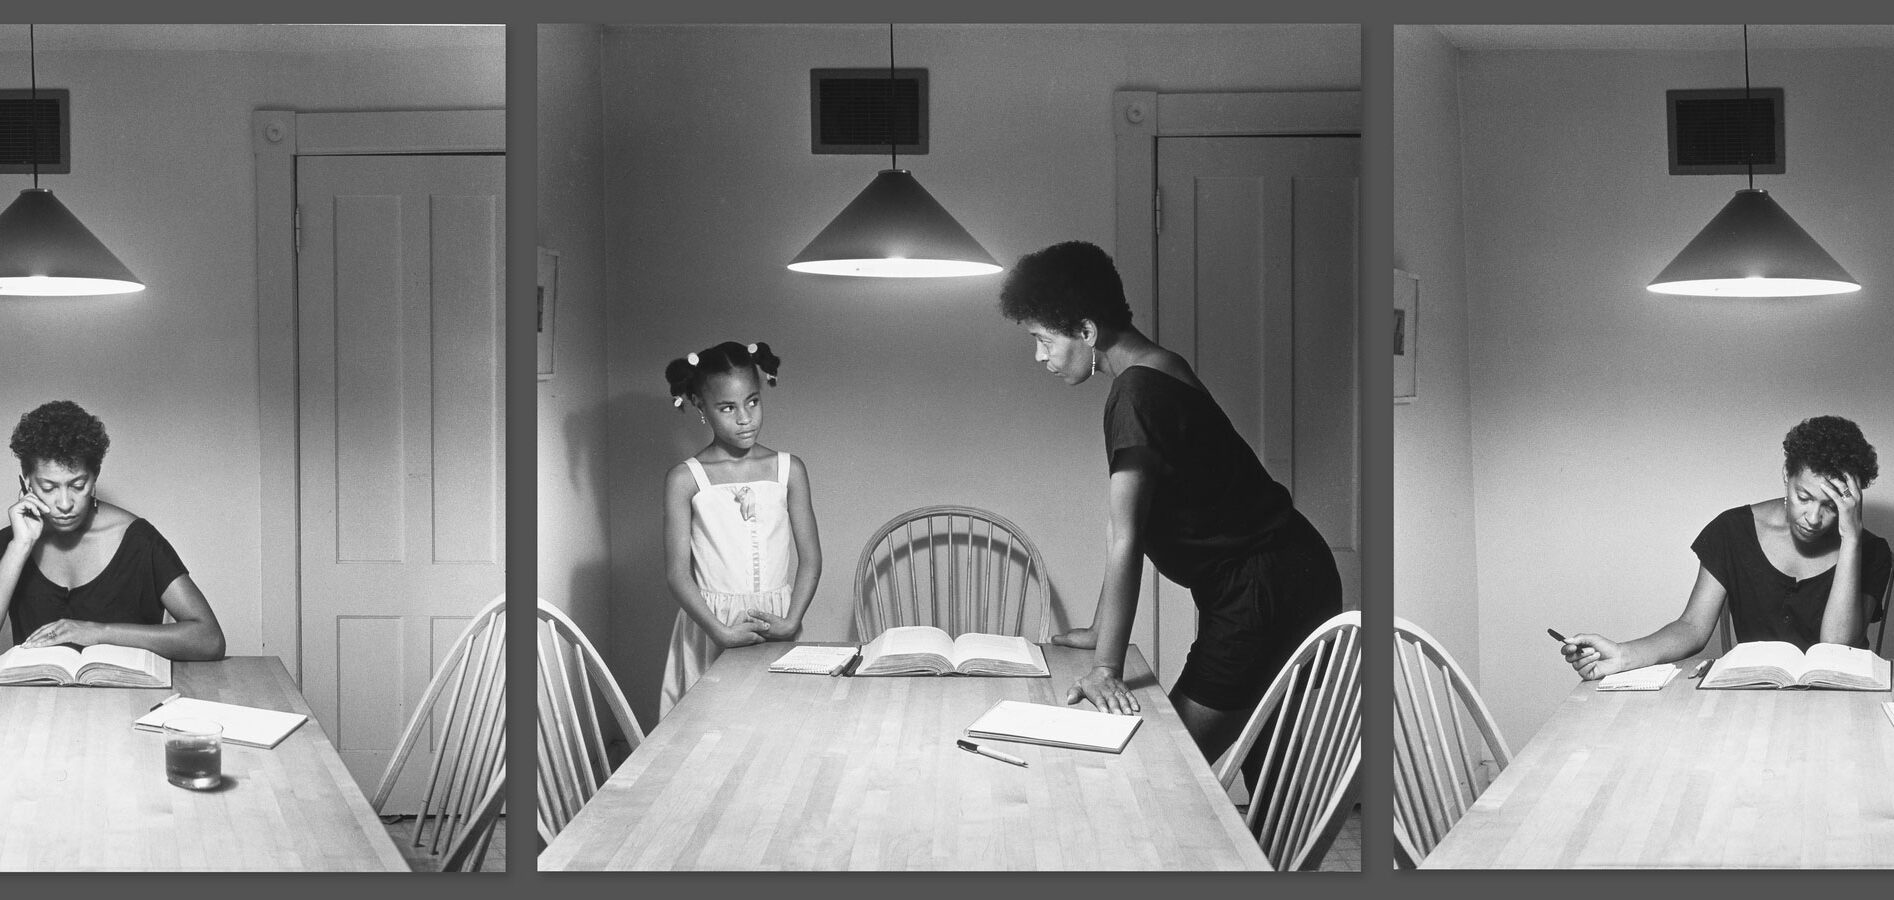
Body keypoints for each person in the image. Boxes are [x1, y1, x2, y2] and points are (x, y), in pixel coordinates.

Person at [998, 240, 1343, 774]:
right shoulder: (1161, 366)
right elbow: (1134, 523)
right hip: (1289, 572)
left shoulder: (1135, 396)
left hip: (1261, 589)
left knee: (1171, 770)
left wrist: (1106, 666)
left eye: (1044, 339)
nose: (1040, 356)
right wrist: (1096, 629)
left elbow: (1126, 538)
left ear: (1087, 332)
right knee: (1263, 766)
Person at [1563, 415, 1894, 679]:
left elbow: (1835, 651)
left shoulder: (1871, 552)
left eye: (1832, 506)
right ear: (1786, 475)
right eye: (1803, 497)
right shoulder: (1732, 531)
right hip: (1753, 696)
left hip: (1842, 704)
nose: (1813, 517)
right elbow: (1692, 627)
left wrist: (1851, 539)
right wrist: (1622, 655)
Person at [659, 341, 822, 718]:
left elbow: (811, 559)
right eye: (728, 408)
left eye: (752, 402)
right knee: (706, 730)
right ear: (700, 405)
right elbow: (677, 574)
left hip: (776, 623)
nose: (745, 418)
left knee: (778, 728)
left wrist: (792, 619)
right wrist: (718, 630)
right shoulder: (684, 479)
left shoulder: (789, 469)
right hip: (710, 626)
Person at [0, 400, 225, 659]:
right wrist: (20, 547)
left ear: (94, 479)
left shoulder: (138, 540)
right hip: (38, 698)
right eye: (49, 488)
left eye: (78, 485)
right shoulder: (13, 542)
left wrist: (98, 632)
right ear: (27, 483)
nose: (64, 504)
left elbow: (210, 640)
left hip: (131, 697)